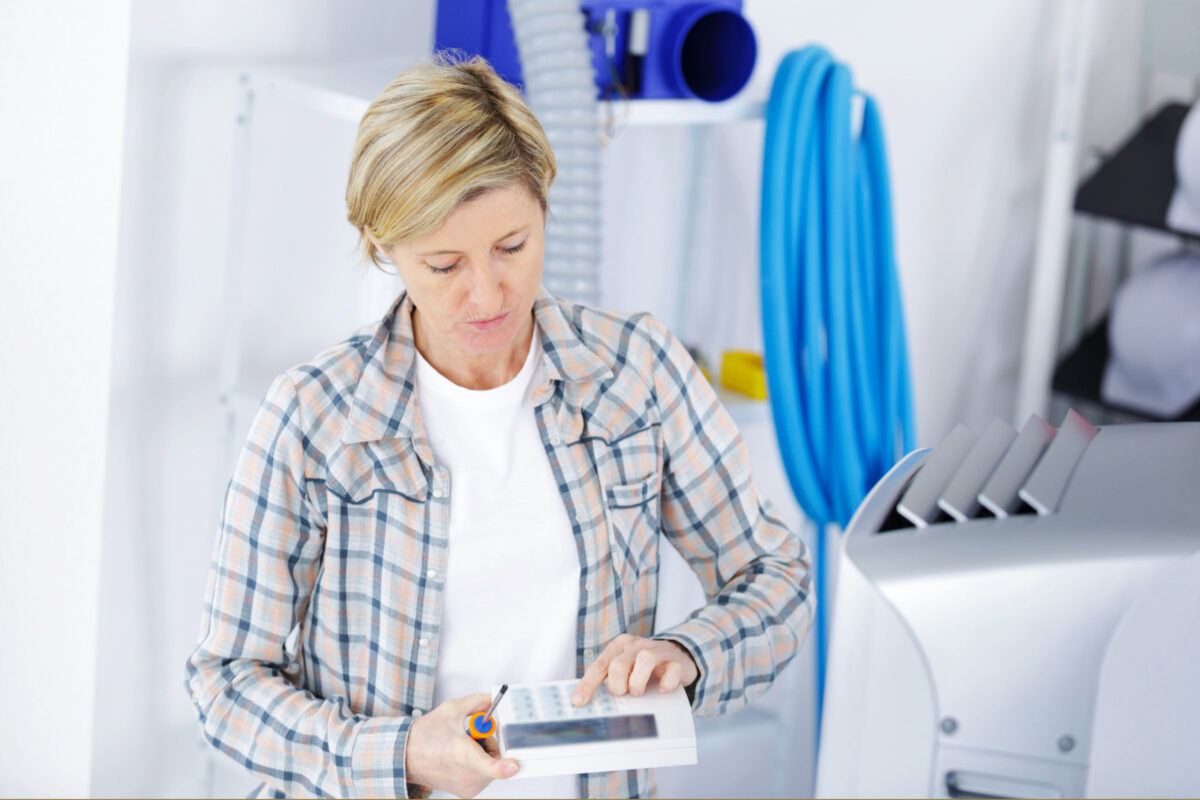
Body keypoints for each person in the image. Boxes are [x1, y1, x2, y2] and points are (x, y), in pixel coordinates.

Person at [184, 52, 813, 800]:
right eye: (444, 265)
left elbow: (777, 579)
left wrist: (688, 654)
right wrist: (406, 754)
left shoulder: (638, 371)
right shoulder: (314, 416)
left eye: (511, 247)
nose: (487, 295)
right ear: (384, 250)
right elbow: (225, 684)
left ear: (545, 204)